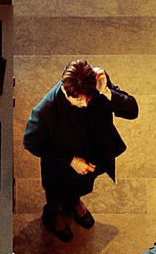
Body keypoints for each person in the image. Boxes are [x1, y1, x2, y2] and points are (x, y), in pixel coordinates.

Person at [23, 58, 138, 242]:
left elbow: (133, 111)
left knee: (82, 185)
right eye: (78, 99)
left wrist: (107, 92)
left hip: (93, 153)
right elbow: (31, 143)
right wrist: (70, 159)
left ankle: (73, 202)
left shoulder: (98, 83)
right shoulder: (45, 111)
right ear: (65, 91)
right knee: (56, 193)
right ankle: (52, 214)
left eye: (89, 97)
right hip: (61, 166)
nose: (85, 103)